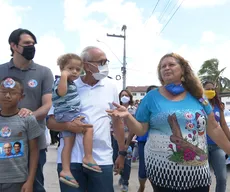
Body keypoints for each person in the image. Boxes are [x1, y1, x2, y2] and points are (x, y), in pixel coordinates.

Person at [107, 53, 230, 192]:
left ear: (183, 69)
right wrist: (127, 117)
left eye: (171, 64)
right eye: (162, 66)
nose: (166, 68)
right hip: (162, 171)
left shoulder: (198, 95)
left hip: (198, 172)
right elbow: (141, 130)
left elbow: (214, 128)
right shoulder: (151, 97)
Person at [47, 46, 126, 192]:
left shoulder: (110, 87)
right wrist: (70, 126)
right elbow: (50, 122)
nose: (105, 65)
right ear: (86, 64)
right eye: (101, 62)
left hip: (101, 160)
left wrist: (122, 153)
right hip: (71, 162)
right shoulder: (67, 85)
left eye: (106, 61)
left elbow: (117, 123)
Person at [0, 28, 54, 192]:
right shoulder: (1, 70)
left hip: (34, 140)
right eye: (27, 43)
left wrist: (28, 116)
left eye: (33, 44)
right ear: (14, 46)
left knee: (34, 185)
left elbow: (47, 104)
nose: (31, 47)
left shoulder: (44, 72)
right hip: (5, 140)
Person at [52, 53, 101, 188]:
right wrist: (63, 76)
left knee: (68, 144)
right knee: (88, 128)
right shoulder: (61, 81)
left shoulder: (71, 82)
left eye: (77, 69)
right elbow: (61, 93)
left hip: (69, 114)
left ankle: (66, 171)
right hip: (66, 115)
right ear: (62, 68)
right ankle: (88, 157)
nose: (74, 71)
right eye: (70, 68)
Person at [0, 77, 43, 192]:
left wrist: (30, 181)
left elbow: (34, 151)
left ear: (21, 97)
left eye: (13, 93)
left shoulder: (28, 119)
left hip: (18, 180)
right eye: (3, 92)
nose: (7, 96)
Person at [203, 81, 230, 192]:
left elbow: (223, 124)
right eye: (207, 89)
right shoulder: (199, 104)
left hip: (217, 145)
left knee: (222, 178)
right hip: (202, 146)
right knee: (203, 179)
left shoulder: (219, 106)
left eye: (212, 89)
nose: (210, 91)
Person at [112, 89, 136, 192]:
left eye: (127, 95)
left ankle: (125, 182)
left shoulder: (133, 110)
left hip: (129, 140)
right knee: (115, 158)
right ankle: (122, 175)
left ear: (130, 98)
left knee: (127, 162)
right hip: (116, 139)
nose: (124, 97)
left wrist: (130, 139)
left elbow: (135, 125)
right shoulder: (115, 109)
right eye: (122, 95)